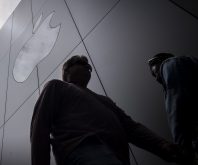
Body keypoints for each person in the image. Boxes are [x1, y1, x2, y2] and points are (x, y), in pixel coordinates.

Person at [31, 55, 184, 165]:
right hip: (82, 151)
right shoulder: (56, 86)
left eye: (88, 65)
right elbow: (39, 128)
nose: (87, 67)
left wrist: (161, 145)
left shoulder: (105, 100)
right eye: (80, 63)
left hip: (118, 157)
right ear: (67, 71)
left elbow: (131, 128)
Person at [148, 53, 198, 164]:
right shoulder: (188, 63)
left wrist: (183, 149)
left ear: (160, 61)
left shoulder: (170, 64)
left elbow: (177, 108)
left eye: (154, 72)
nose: (156, 78)